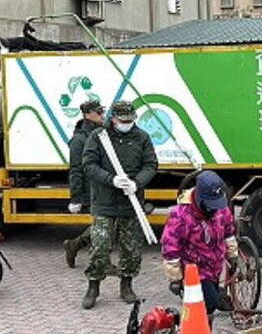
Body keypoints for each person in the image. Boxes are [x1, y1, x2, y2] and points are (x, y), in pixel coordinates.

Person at [80, 100, 157, 309]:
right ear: (113, 119)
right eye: (123, 120)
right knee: (100, 245)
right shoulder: (98, 137)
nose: (127, 124)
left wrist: (137, 183)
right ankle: (93, 285)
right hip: (104, 201)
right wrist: (111, 179)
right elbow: (88, 165)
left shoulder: (141, 137)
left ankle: (126, 284)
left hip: (131, 203)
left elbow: (150, 164)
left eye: (130, 120)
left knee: (131, 248)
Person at [160, 170, 238, 317]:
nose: (214, 209)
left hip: (214, 267)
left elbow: (228, 233)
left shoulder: (222, 210)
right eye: (210, 205)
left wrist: (232, 255)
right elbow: (170, 247)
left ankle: (204, 319)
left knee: (209, 303)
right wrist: (175, 278)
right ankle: (191, 325)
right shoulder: (181, 215)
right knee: (209, 304)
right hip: (194, 269)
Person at [63, 99, 119, 272]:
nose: (103, 115)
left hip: (105, 185)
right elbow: (76, 170)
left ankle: (74, 245)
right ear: (88, 115)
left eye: (103, 112)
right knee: (104, 226)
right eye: (99, 113)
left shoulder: (103, 133)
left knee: (106, 224)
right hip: (91, 190)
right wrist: (76, 198)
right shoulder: (79, 140)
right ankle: (102, 262)